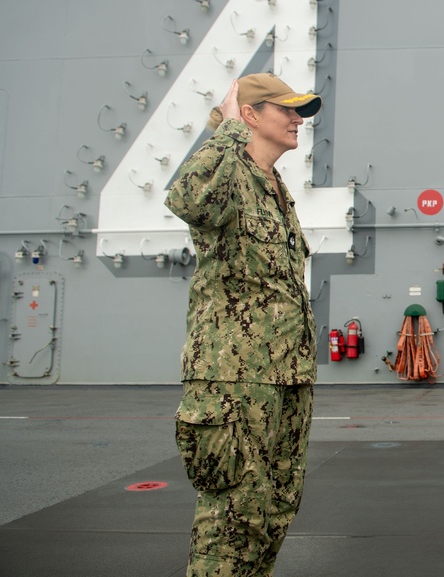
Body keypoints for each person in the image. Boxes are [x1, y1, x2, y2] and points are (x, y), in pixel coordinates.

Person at [165, 73, 322, 577]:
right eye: (287, 110)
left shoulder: (274, 186)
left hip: (283, 378)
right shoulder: (228, 176)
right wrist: (229, 129)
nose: (299, 119)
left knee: (272, 511)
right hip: (234, 380)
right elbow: (186, 198)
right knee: (233, 517)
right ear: (251, 115)